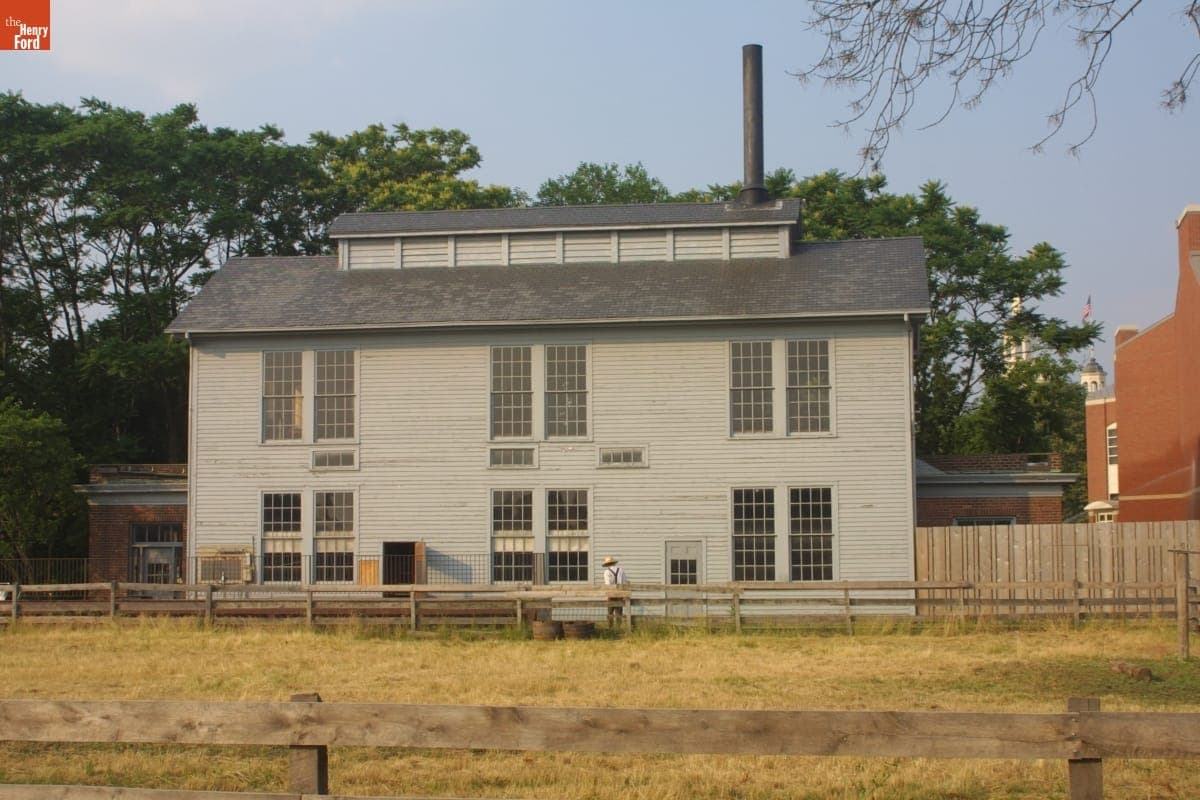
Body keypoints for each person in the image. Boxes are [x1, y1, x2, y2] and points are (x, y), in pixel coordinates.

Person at [602, 555, 628, 627]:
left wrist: (607, 595)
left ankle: (610, 628)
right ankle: (618, 628)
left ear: (607, 564)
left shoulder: (607, 572)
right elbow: (625, 582)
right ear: (614, 563)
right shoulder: (621, 570)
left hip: (611, 594)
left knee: (610, 612)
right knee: (619, 613)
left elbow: (608, 585)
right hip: (620, 594)